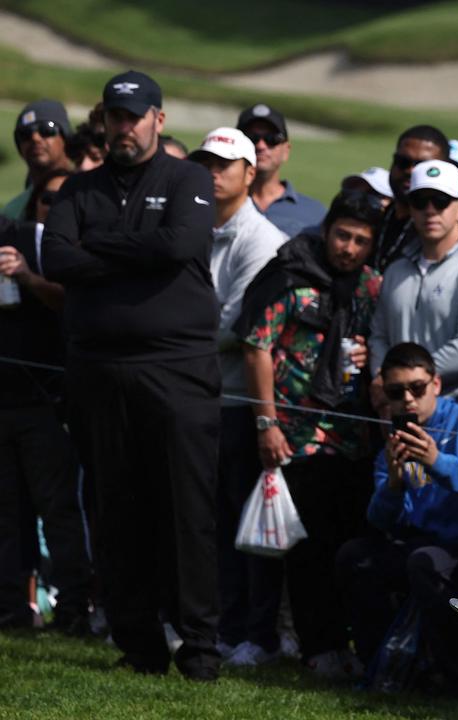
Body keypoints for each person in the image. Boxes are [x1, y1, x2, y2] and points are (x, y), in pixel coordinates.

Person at [39, 70, 222, 680]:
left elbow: (180, 244)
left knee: (185, 510)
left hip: (176, 368)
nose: (124, 126)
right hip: (98, 370)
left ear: (158, 120)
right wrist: (133, 245)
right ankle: (139, 643)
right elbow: (57, 258)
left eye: (135, 116)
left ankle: (198, 646)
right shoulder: (76, 191)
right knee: (115, 512)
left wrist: (102, 249)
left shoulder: (188, 176)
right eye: (115, 117)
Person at [236, 190, 384, 678]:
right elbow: (258, 347)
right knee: (307, 550)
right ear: (326, 231)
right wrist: (267, 422)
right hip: (296, 436)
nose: (348, 247)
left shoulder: (369, 288)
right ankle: (316, 646)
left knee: (346, 541)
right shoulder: (292, 278)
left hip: (352, 437)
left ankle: (348, 644)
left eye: (361, 240)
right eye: (342, 235)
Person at [335, 342, 458, 682]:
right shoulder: (394, 440)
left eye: (417, 388)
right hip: (419, 542)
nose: (408, 400)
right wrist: (394, 487)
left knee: (423, 561)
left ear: (436, 384)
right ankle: (381, 669)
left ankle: (456, 676)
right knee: (353, 557)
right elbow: (380, 520)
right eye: (396, 392)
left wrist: (437, 463)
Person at [188, 127, 289, 667]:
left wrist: (170, 333)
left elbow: (234, 327)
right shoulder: (195, 226)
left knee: (250, 527)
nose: (212, 171)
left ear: (251, 174)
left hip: (240, 404)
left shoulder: (263, 241)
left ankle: (260, 634)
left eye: (224, 164)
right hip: (199, 399)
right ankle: (226, 627)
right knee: (216, 523)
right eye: (206, 161)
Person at [0, 215, 88, 634]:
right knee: (4, 515)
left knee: (58, 511)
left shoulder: (29, 237)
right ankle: (12, 609)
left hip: (43, 403)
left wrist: (26, 276)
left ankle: (73, 608)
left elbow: (72, 300)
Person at [368, 160, 458, 405]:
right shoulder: (396, 268)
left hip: (454, 408)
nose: (430, 210)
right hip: (396, 405)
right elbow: (378, 335)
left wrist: (404, 380)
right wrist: (385, 378)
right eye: (420, 201)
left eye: (440, 201)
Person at [237, 103, 326, 238]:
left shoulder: (316, 213)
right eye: (251, 138)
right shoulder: (218, 206)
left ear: (286, 150)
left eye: (272, 139)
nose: (261, 146)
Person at [374, 125, 450, 271]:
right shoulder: (376, 219)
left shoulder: (441, 232)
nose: (410, 171)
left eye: (423, 166)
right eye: (403, 162)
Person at [4, 100, 73, 220]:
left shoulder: (87, 196)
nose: (35, 138)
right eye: (25, 134)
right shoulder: (10, 213)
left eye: (46, 129)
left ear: (65, 138)